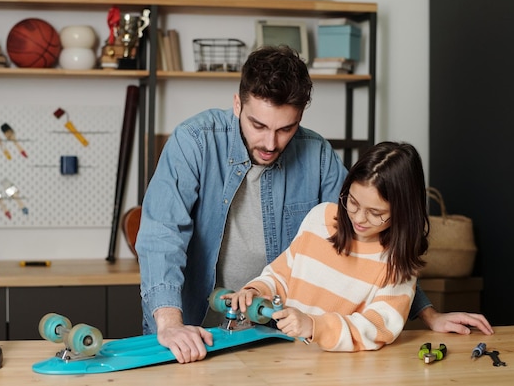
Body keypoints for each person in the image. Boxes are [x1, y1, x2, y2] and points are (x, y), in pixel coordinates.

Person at [135, 45, 492, 364]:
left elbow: (367, 240)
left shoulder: (317, 154)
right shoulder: (194, 142)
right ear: (237, 104)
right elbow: (161, 236)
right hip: (191, 329)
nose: (270, 143)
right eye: (258, 125)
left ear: (300, 117)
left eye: (285, 129)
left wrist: (428, 315)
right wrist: (170, 324)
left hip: (277, 339)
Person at [221, 141, 428, 351]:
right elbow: (282, 276)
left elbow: (378, 327)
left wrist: (314, 326)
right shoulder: (320, 218)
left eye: (376, 213)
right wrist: (257, 291)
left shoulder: (397, 263)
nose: (359, 218)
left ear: (403, 213)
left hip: (340, 370)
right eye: (353, 202)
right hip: (284, 357)